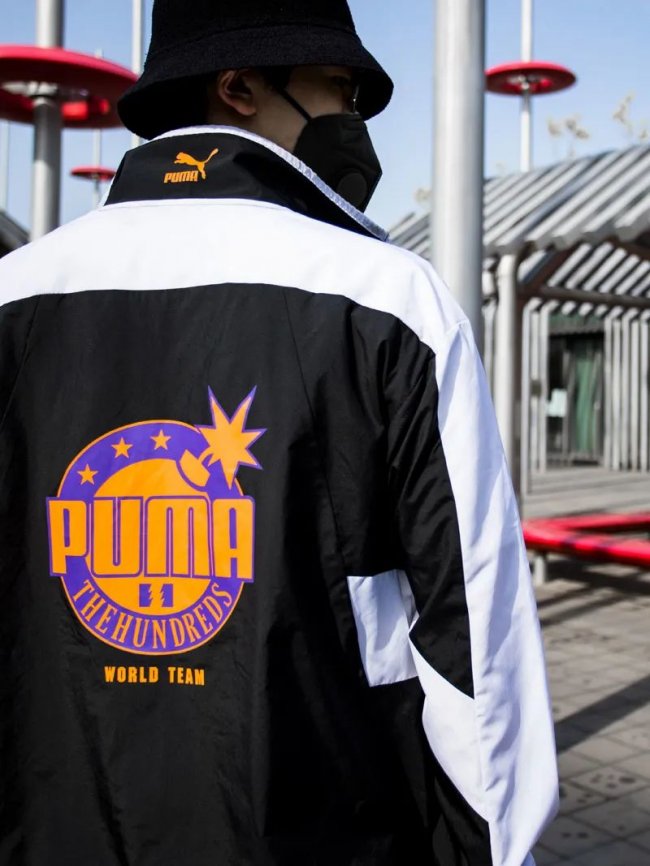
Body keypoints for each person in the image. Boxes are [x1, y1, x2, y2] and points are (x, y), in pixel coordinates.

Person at [0, 2, 558, 864]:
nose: (355, 122)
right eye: (339, 90)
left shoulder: (15, 296)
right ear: (239, 87)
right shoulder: (388, 301)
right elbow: (476, 645)